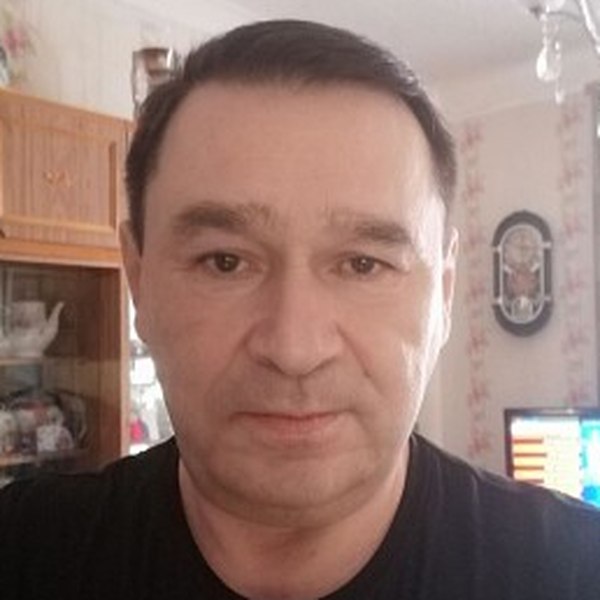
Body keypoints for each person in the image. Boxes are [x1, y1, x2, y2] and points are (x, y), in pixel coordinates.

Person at [1, 19, 599, 600]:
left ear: (443, 295)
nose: (294, 350)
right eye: (225, 262)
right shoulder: (26, 552)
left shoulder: (575, 571)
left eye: (363, 264)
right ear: (139, 281)